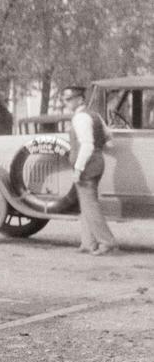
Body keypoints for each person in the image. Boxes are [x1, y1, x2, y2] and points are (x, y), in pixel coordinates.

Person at [60, 85, 119, 256]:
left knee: (90, 205)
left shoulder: (80, 118)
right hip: (97, 162)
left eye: (69, 99)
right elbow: (108, 137)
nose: (66, 102)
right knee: (85, 204)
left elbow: (87, 144)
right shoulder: (95, 115)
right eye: (65, 99)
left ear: (80, 99)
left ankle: (107, 242)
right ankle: (88, 243)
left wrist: (78, 168)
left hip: (87, 166)